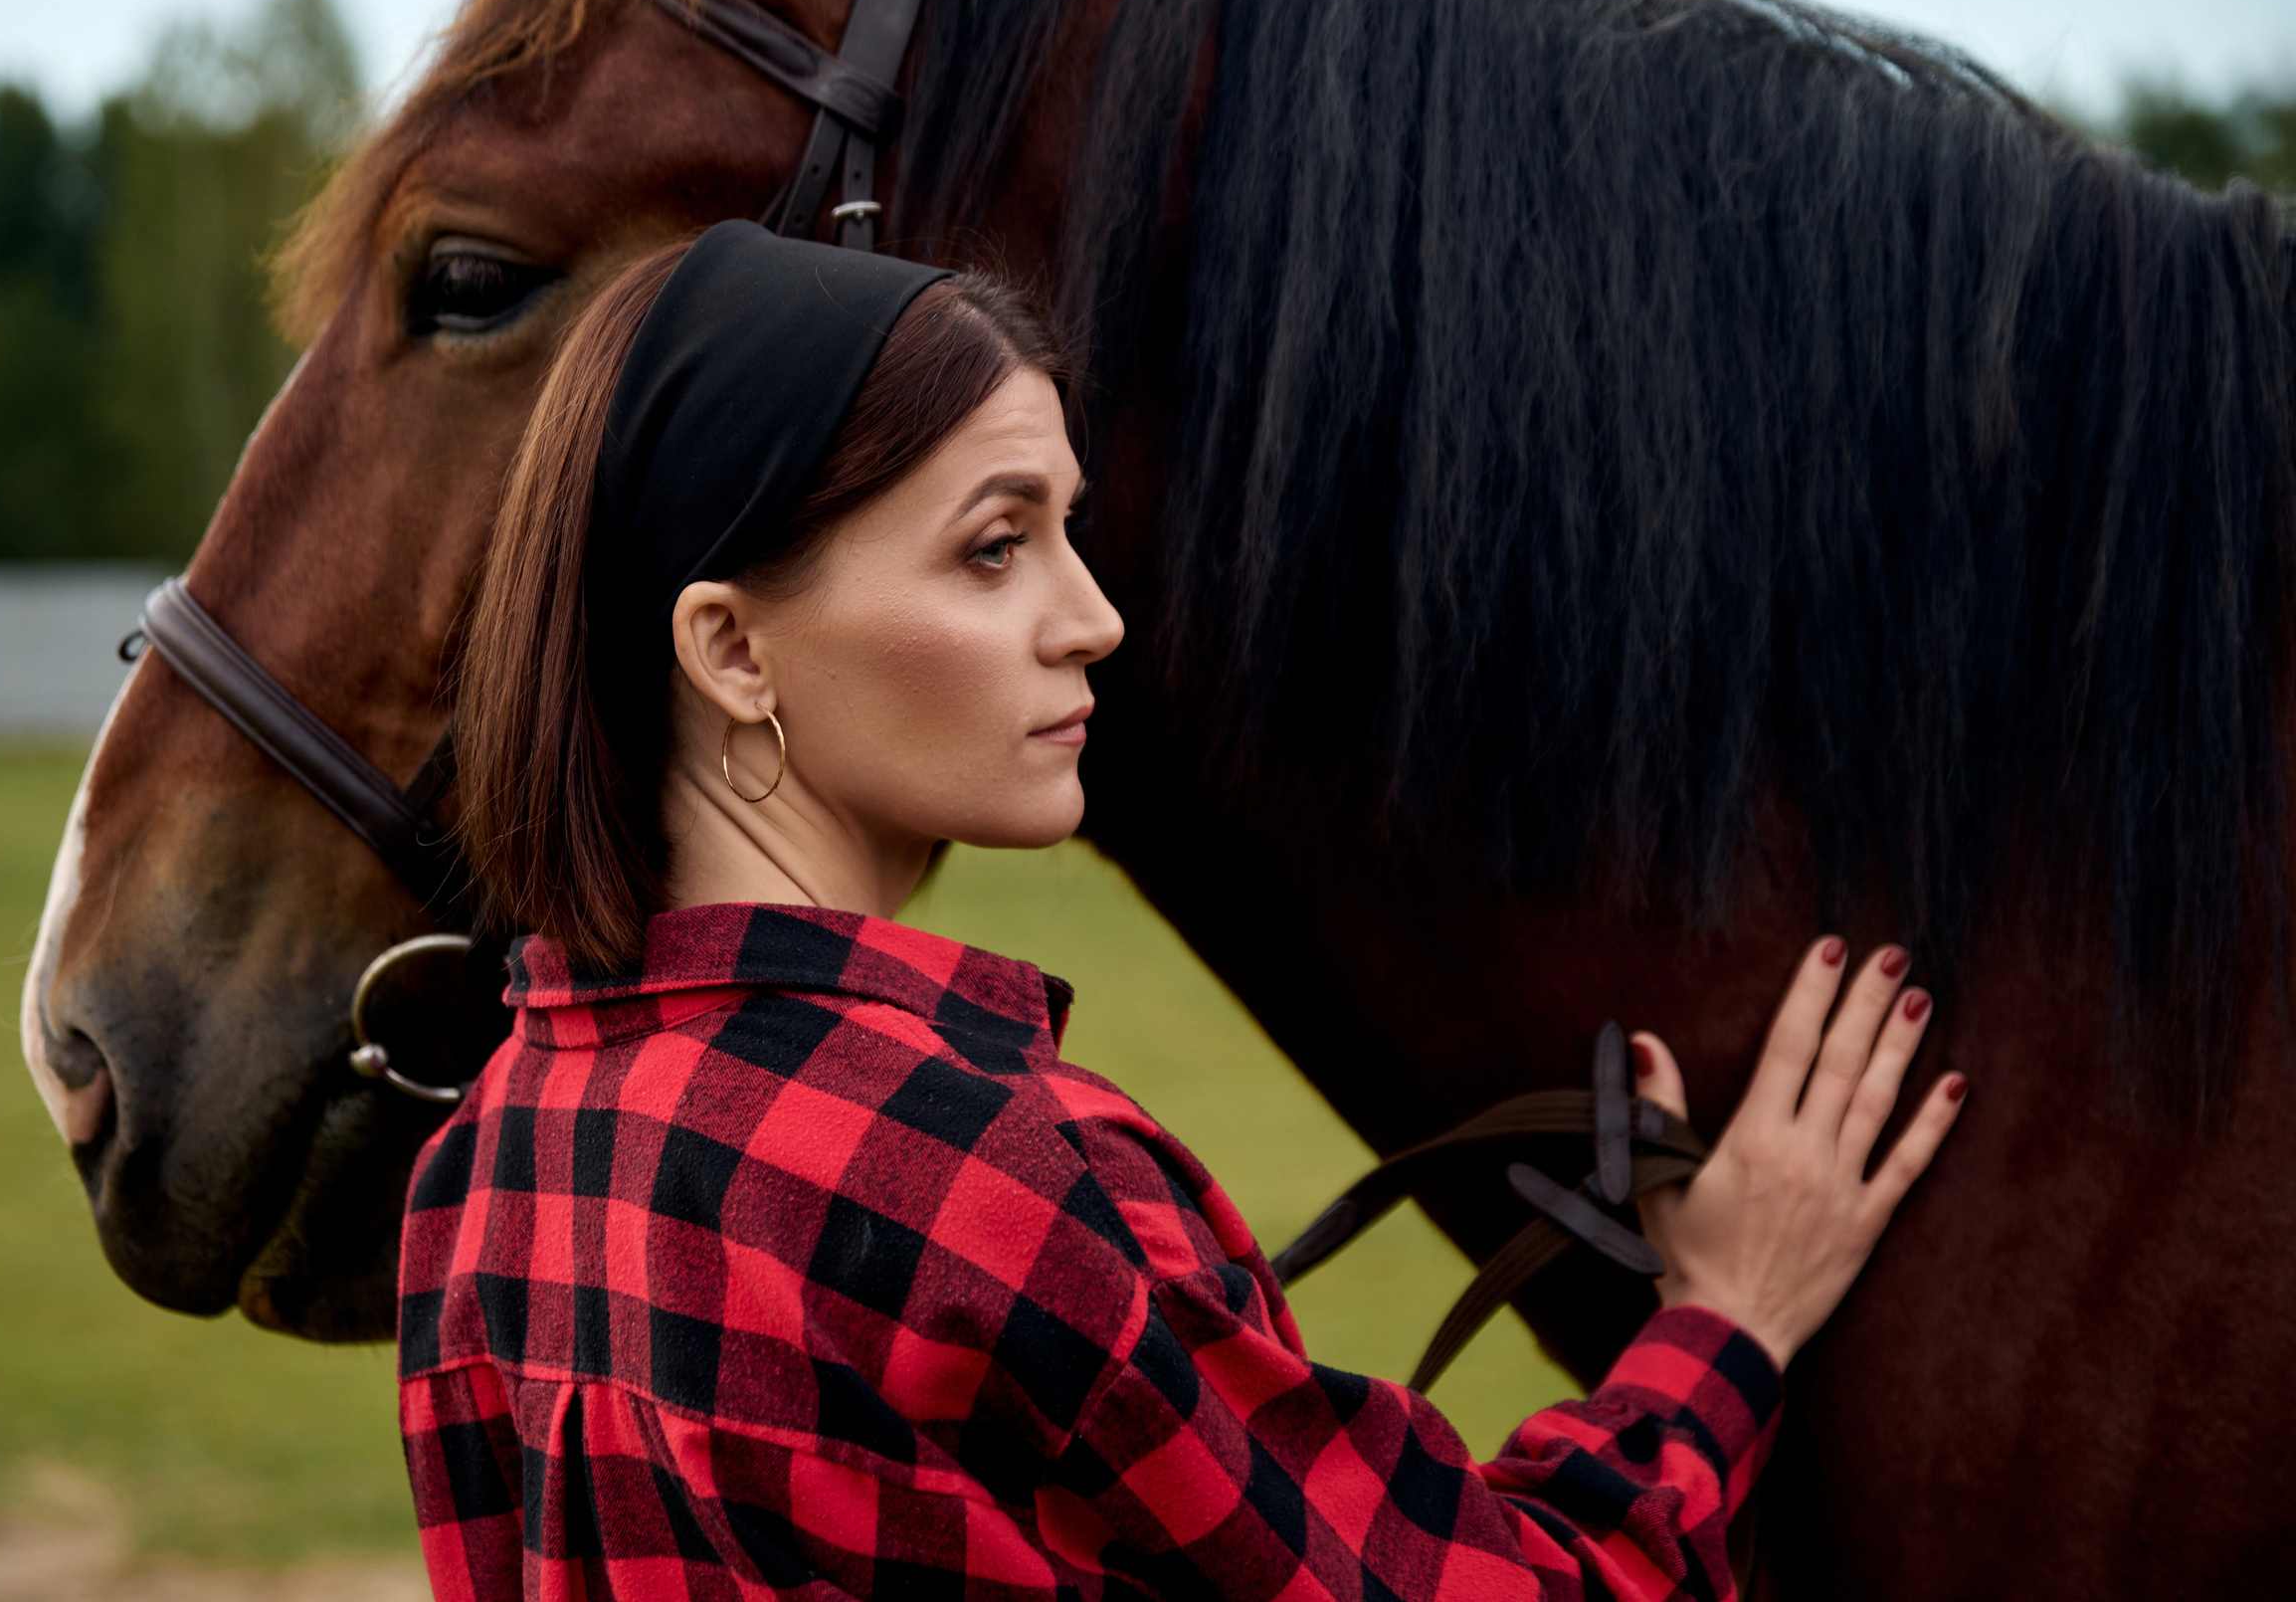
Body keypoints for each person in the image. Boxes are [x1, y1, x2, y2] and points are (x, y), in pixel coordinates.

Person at [399, 222, 1967, 1602]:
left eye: (1066, 533)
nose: (1092, 618)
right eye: (994, 547)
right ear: (735, 652)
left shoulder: (483, 1165)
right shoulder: (998, 1179)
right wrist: (1728, 1323)